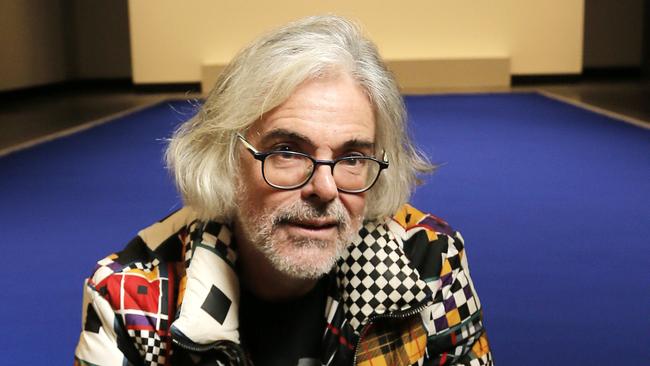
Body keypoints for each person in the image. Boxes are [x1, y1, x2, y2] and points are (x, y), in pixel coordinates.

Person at [74, 15, 492, 366]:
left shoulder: (430, 261)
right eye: (288, 152)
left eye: (351, 158)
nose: (325, 188)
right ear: (225, 157)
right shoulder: (132, 297)